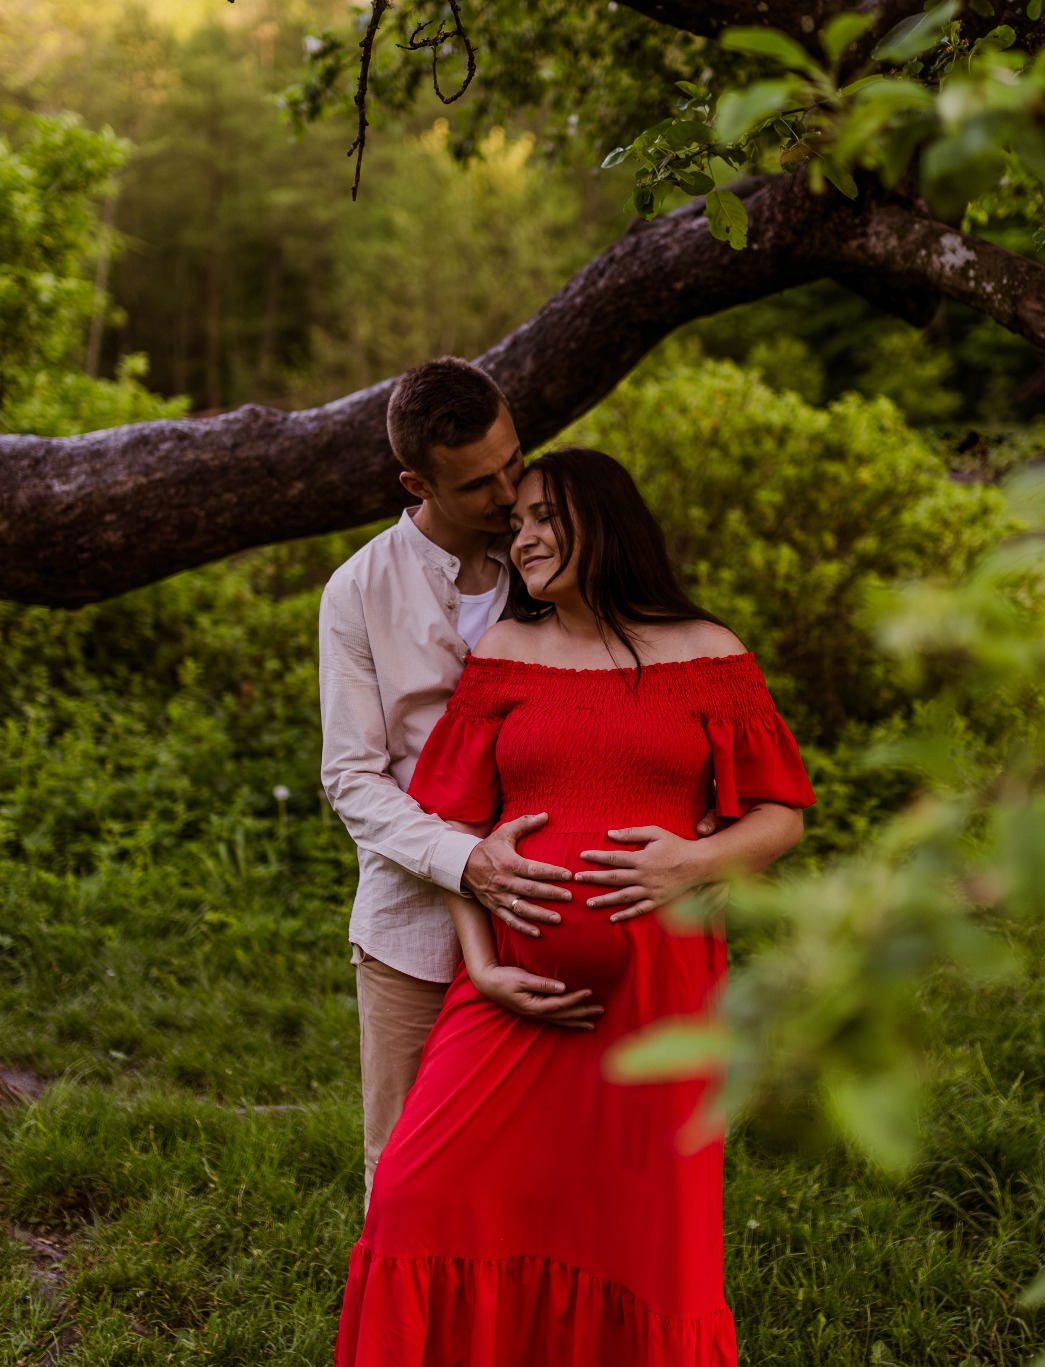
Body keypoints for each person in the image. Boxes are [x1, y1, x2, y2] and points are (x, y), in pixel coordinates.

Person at [334, 447, 815, 1366]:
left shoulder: (707, 652)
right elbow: (458, 823)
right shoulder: (505, 654)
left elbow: (780, 815)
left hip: (658, 999)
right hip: (509, 996)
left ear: (607, 519)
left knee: (636, 1240)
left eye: (545, 517)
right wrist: (482, 965)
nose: (523, 538)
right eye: (516, 524)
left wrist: (693, 861)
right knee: (412, 1195)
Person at [322, 359, 722, 1204]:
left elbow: (641, 688)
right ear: (417, 483)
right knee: (406, 1176)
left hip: (566, 925)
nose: (508, 495)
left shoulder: (552, 556)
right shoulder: (359, 591)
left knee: (549, 1176)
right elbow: (352, 777)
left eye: (514, 462)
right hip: (414, 925)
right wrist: (469, 862)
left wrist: (698, 828)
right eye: (478, 484)